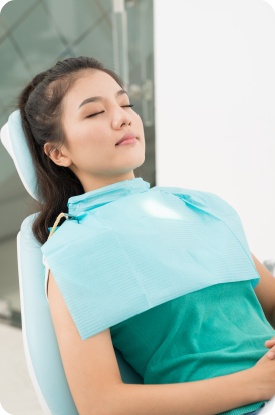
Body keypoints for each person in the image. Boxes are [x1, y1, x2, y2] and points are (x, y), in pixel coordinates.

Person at [17, 56, 275, 415]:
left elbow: (270, 300)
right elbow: (101, 404)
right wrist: (256, 383)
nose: (123, 117)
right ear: (58, 152)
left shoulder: (198, 206)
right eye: (94, 113)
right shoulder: (77, 249)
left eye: (126, 104)